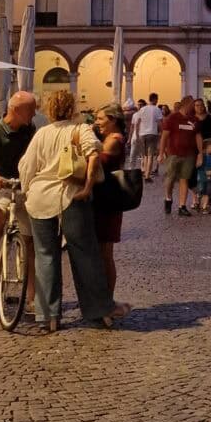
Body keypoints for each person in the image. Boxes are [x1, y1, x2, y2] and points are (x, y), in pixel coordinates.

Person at [18, 90, 130, 332]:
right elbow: (93, 156)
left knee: (45, 255)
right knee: (85, 254)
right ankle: (99, 311)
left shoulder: (41, 134)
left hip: (40, 197)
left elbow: (26, 167)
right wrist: (87, 187)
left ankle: (48, 316)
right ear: (72, 108)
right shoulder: (81, 129)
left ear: (49, 110)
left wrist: (28, 190)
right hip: (71, 195)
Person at [0, 91, 37, 309]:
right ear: (15, 110)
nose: (34, 113)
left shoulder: (29, 129)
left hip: (22, 187)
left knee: (30, 243)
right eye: (30, 109)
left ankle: (33, 298)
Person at [93, 103, 127, 295]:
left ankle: (107, 296)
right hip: (103, 197)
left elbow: (96, 163)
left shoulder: (114, 140)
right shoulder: (108, 138)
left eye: (100, 118)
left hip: (108, 199)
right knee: (101, 250)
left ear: (112, 120)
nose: (97, 122)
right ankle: (103, 295)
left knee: (105, 251)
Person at [159, 97, 198, 216]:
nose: (194, 107)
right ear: (186, 104)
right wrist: (161, 153)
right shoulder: (173, 118)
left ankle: (182, 206)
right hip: (173, 153)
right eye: (192, 104)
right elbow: (164, 136)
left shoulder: (194, 119)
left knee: (184, 178)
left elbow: (197, 136)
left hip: (189, 154)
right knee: (170, 178)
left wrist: (200, 153)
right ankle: (168, 198)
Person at [132, 92, 162, 182]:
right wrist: (161, 132)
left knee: (144, 155)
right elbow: (160, 123)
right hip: (152, 133)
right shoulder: (156, 109)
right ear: (155, 99)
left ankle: (145, 172)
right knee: (150, 156)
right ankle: (147, 176)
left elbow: (137, 123)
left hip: (142, 134)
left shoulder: (142, 109)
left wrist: (137, 134)